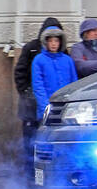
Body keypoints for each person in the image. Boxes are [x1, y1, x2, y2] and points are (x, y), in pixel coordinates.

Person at [14, 16, 64, 169]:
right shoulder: (31, 48)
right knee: (30, 141)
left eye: (57, 38)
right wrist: (25, 93)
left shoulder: (63, 54)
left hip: (53, 104)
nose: (53, 42)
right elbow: (20, 72)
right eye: (50, 37)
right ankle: (30, 172)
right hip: (30, 105)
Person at [31, 26, 78, 121]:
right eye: (50, 41)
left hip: (67, 106)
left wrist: (73, 103)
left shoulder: (67, 60)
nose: (53, 44)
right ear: (45, 42)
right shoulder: (39, 60)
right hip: (48, 105)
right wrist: (45, 107)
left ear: (60, 42)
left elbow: (74, 83)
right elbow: (38, 86)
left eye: (56, 41)